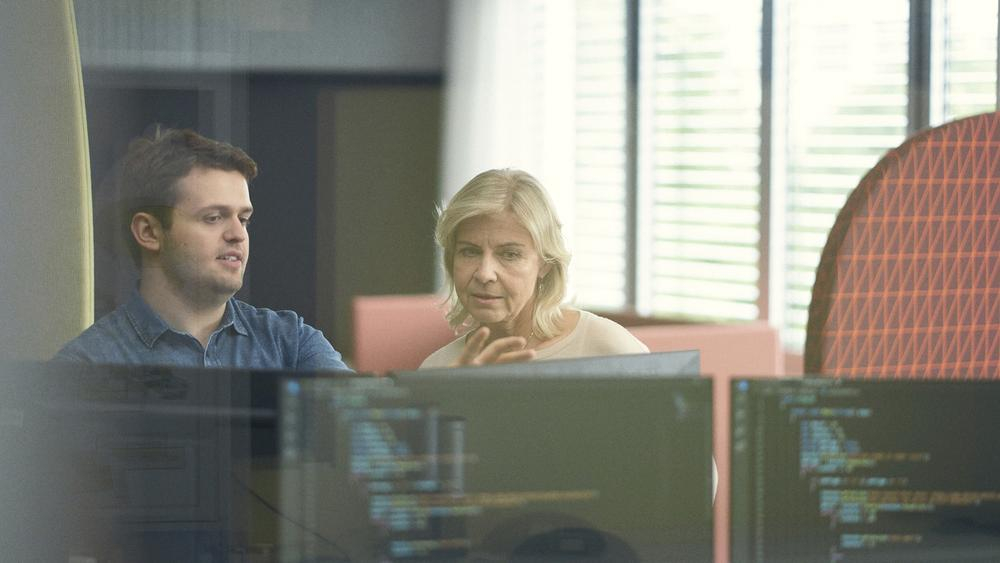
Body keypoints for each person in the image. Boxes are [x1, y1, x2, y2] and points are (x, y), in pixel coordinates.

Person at [54, 128, 349, 371]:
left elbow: (368, 437)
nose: (238, 235)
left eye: (243, 219)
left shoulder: (290, 343)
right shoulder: (86, 365)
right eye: (213, 218)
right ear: (149, 232)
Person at [421, 168, 648, 368]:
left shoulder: (607, 347)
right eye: (469, 252)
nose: (484, 274)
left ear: (545, 264)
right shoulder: (438, 368)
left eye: (509, 254)